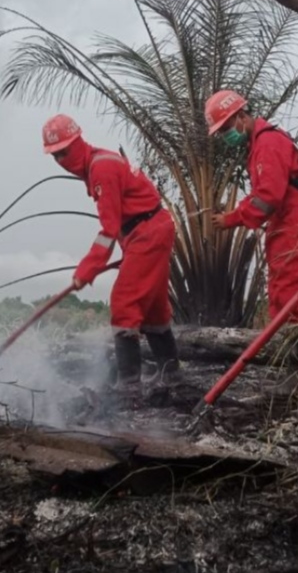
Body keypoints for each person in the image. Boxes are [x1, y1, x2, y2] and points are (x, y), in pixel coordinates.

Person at [42, 114, 180, 390]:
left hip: (148, 233)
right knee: (153, 306)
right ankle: (171, 373)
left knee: (124, 303)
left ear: (78, 142)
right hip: (147, 231)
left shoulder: (101, 169)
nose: (61, 160)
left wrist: (86, 269)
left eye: (64, 152)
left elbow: (109, 229)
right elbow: (120, 223)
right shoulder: (98, 163)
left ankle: (129, 384)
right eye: (55, 156)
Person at [204, 90, 298, 372]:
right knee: (283, 295)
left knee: (294, 298)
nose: (224, 136)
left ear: (241, 117)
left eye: (225, 128)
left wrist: (232, 219)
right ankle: (294, 365)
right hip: (287, 226)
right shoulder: (261, 143)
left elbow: (267, 198)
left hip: (297, 226)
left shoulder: (268, 142)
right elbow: (263, 194)